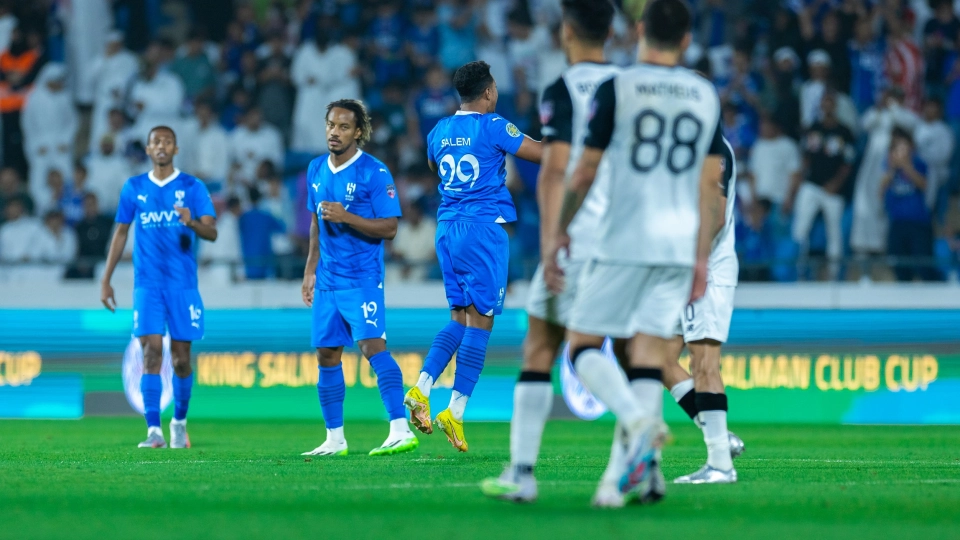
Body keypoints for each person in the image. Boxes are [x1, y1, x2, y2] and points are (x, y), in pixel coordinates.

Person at [552, 0, 725, 507]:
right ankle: (639, 476)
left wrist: (561, 228)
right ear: (687, 40)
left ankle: (636, 421)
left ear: (640, 30)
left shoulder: (618, 87)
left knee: (583, 346)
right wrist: (699, 260)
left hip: (625, 238)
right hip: (678, 245)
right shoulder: (704, 93)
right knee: (648, 357)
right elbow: (711, 184)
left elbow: (582, 172)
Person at [478, 0, 619, 503]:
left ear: (567, 32)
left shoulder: (563, 89)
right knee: (627, 351)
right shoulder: (629, 85)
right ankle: (638, 457)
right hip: (625, 238)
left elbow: (558, 170)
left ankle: (524, 472)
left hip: (577, 234)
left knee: (545, 346)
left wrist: (550, 237)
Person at [403, 60, 542, 453]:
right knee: (481, 324)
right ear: (488, 92)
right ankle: (456, 412)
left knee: (459, 319)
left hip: (447, 228)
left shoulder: (439, 130)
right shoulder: (494, 124)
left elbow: (434, 166)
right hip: (482, 230)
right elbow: (538, 154)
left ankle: (422, 387)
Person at [300, 99, 417, 457]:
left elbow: (391, 228)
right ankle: (335, 439)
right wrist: (309, 270)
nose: (335, 133)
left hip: (362, 279)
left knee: (372, 348)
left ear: (359, 132)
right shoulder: (316, 169)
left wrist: (348, 216)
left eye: (343, 127)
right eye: (331, 125)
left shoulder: (374, 172)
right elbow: (316, 224)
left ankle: (400, 428)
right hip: (328, 281)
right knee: (326, 355)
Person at [100, 126, 218, 449]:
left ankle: (179, 422)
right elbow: (121, 233)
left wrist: (191, 222)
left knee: (181, 359)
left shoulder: (192, 187)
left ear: (176, 149)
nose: (161, 147)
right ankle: (154, 431)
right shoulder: (134, 187)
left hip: (182, 286)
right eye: (156, 142)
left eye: (167, 142)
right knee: (151, 352)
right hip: (148, 286)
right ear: (149, 150)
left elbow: (212, 233)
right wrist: (106, 279)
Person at [661, 136, 743, 485]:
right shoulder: (679, 143)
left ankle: (721, 465)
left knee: (704, 362)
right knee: (659, 359)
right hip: (682, 268)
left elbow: (718, 214)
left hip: (706, 268)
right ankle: (720, 438)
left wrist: (694, 262)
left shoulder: (713, 146)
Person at [785, 91, 856, 280]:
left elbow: (848, 163)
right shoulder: (813, 128)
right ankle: (799, 272)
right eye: (824, 103)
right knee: (800, 228)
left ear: (835, 106)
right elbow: (806, 159)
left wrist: (836, 184)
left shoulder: (844, 131)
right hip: (812, 185)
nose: (827, 107)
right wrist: (795, 188)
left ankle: (834, 276)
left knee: (834, 234)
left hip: (834, 190)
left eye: (830, 103)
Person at [850, 88, 919, 263]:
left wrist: (894, 108)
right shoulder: (877, 113)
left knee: (884, 206)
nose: (890, 100)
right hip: (871, 165)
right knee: (864, 204)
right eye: (889, 96)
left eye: (895, 97)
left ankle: (884, 248)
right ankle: (863, 249)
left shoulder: (906, 115)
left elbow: (910, 124)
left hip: (893, 165)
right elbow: (864, 124)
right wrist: (881, 108)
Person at [290, 27, 361, 154]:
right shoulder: (305, 51)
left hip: (329, 95)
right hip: (308, 95)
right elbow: (295, 75)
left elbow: (338, 75)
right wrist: (306, 79)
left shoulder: (338, 52)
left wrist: (322, 80)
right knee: (303, 125)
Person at [882, 129, 937, 281]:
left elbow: (923, 184)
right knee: (898, 263)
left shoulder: (919, 162)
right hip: (897, 221)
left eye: (903, 147)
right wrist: (893, 169)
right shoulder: (889, 166)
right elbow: (880, 190)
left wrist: (906, 165)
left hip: (918, 221)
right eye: (896, 147)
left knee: (923, 264)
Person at [21, 63, 77, 206]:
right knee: (38, 176)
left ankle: (66, 203)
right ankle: (41, 205)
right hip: (41, 145)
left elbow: (72, 122)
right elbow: (27, 124)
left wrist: (65, 141)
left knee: (66, 173)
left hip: (60, 144)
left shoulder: (64, 97)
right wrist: (36, 144)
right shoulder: (33, 98)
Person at [67, 193, 113, 279]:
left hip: (104, 261)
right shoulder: (79, 227)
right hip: (86, 264)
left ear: (97, 205)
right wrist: (81, 262)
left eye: (92, 204)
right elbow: (77, 249)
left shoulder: (108, 223)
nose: (90, 207)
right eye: (87, 205)